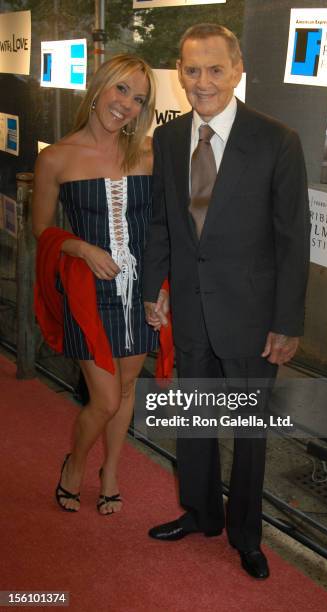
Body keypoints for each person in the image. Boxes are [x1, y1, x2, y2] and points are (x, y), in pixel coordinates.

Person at [143, 24, 310, 579]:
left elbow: (293, 238)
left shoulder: (277, 140)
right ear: (180, 74)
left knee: (249, 435)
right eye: (192, 70)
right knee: (193, 420)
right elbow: (164, 225)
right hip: (190, 311)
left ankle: (246, 534)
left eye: (215, 69)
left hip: (253, 319)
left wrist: (287, 322)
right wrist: (155, 289)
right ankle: (199, 513)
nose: (203, 82)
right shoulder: (167, 140)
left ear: (238, 71)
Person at [32, 54, 163, 515]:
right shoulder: (56, 158)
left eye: (139, 98)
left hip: (140, 292)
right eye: (121, 89)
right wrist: (82, 249)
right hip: (88, 294)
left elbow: (162, 228)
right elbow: (42, 231)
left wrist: (161, 288)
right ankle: (75, 465)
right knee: (104, 398)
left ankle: (110, 472)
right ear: (100, 88)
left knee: (126, 391)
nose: (127, 105)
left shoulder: (148, 153)